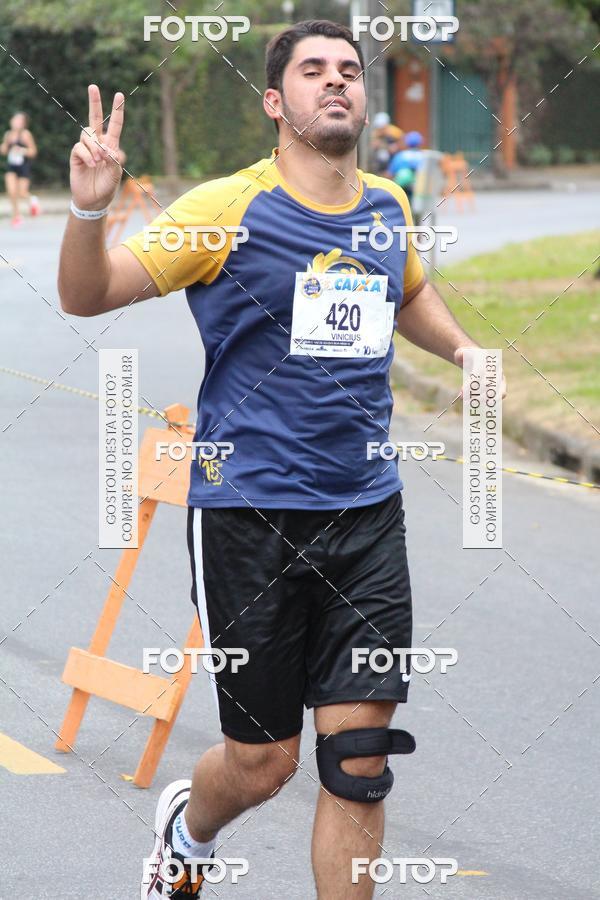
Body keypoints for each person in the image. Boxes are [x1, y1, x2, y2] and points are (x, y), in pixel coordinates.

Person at [58, 19, 506, 899]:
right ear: (276, 102)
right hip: (246, 517)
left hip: (366, 516)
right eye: (312, 71)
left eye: (348, 71)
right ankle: (189, 830)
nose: (335, 82)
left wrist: (462, 351)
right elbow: (85, 295)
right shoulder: (226, 208)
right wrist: (89, 207)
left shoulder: (388, 206)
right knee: (264, 762)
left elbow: (405, 290)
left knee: (359, 759)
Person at [1, 112, 41, 226]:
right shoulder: (8, 134)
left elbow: (33, 151)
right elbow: (4, 150)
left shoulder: (26, 135)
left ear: (24, 124)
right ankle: (16, 216)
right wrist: (5, 147)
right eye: (15, 120)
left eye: (19, 121)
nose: (16, 123)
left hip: (23, 166)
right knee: (11, 192)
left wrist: (21, 150)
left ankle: (33, 201)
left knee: (21, 193)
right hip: (12, 166)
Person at [387, 130, 425, 203]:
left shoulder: (400, 155)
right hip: (419, 188)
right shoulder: (424, 156)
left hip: (402, 187)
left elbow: (390, 173)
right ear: (420, 143)